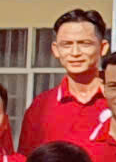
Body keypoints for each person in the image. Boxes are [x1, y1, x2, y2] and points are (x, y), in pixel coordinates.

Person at [18, 8, 110, 150]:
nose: (75, 53)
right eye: (67, 44)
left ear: (103, 48)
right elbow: (27, 160)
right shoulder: (41, 107)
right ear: (56, 50)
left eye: (85, 44)